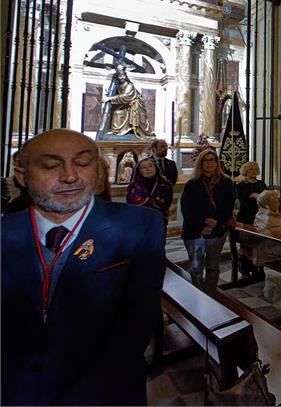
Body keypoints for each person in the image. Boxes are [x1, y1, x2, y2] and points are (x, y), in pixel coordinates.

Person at [1, 129, 165, 405]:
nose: (69, 176)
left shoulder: (139, 227)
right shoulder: (5, 234)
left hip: (103, 392)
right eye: (51, 165)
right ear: (22, 176)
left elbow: (136, 326)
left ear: (99, 171)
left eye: (83, 163)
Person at [180, 148, 235, 292]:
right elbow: (187, 208)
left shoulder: (226, 182)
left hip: (217, 229)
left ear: (217, 163)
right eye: (206, 160)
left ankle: (211, 296)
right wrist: (204, 221)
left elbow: (228, 206)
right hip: (195, 230)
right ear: (200, 163)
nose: (210, 163)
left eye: (213, 160)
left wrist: (215, 221)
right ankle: (198, 296)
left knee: (213, 266)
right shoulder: (192, 184)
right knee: (196, 266)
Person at [235, 161, 267, 278]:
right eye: (250, 169)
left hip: (259, 216)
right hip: (245, 216)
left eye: (255, 169)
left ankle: (258, 269)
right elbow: (243, 201)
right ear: (245, 171)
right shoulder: (240, 186)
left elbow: (267, 198)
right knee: (246, 244)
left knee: (259, 244)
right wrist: (257, 197)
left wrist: (257, 196)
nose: (253, 171)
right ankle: (245, 268)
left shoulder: (261, 184)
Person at [126, 157, 174, 226]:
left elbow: (165, 203)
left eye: (150, 166)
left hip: (158, 220)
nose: (148, 169)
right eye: (143, 167)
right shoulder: (133, 185)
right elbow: (132, 202)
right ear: (139, 171)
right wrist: (151, 200)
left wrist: (146, 200)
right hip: (138, 221)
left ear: (156, 168)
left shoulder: (166, 183)